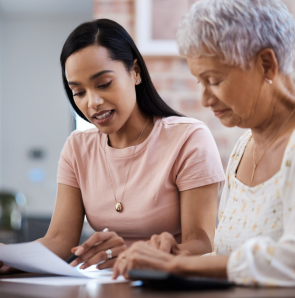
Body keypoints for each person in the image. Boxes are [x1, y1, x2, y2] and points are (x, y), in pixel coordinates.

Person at [0, 19, 225, 274]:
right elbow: (60, 240)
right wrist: (12, 258)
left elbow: (202, 243)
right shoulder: (77, 148)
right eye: (79, 92)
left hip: (169, 284)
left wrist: (138, 255)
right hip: (107, 284)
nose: (92, 102)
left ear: (136, 72)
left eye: (104, 84)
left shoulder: (188, 138)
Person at [113, 0, 295, 287]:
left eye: (214, 80)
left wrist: (179, 264)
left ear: (266, 64)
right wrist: (179, 254)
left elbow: (290, 260)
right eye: (201, 82)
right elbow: (231, 258)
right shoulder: (242, 149)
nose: (205, 100)